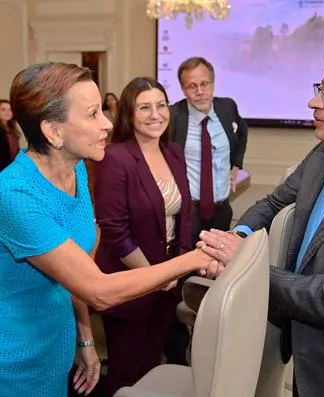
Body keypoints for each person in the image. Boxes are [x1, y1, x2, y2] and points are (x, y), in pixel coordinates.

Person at [199, 41, 324, 397]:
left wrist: (244, 263)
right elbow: (273, 203)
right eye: (318, 89)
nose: (314, 102)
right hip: (304, 356)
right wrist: (240, 236)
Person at [0, 63, 214, 397]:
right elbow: (98, 288)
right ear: (53, 131)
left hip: (58, 340)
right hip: (15, 359)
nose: (107, 123)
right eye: (92, 114)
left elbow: (78, 265)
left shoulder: (77, 172)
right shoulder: (15, 195)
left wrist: (85, 338)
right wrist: (197, 258)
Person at [93, 77, 193, 396]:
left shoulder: (174, 152)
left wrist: (175, 270)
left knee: (152, 363)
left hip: (167, 280)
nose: (156, 114)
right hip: (129, 278)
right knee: (125, 371)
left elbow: (184, 216)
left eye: (161, 105)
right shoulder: (115, 158)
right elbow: (114, 230)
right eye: (145, 107)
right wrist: (154, 275)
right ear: (129, 114)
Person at [171, 56, 248, 246]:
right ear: (183, 90)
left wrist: (236, 164)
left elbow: (242, 131)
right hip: (189, 211)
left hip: (222, 208)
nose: (200, 92)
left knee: (218, 266)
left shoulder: (227, 107)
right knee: (187, 266)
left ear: (213, 83)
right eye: (192, 86)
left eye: (205, 84)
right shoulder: (174, 116)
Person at [0, 99, 20, 164]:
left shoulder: (12, 129)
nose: (7, 112)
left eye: (10, 110)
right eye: (3, 110)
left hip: (12, 166)